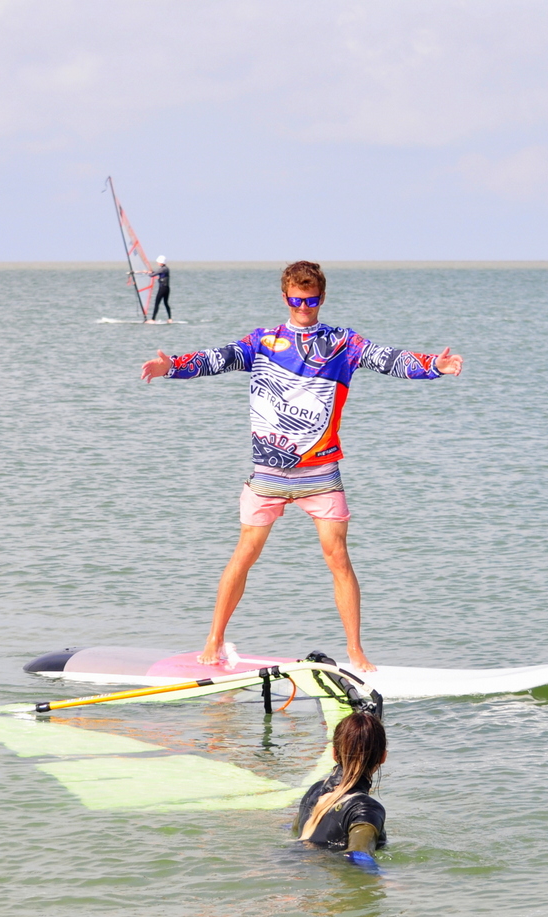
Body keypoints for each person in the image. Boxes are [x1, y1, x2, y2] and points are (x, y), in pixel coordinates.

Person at [139, 260, 464, 671]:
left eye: (310, 301)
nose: (304, 308)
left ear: (322, 298)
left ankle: (356, 651)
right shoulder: (262, 342)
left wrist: (433, 366)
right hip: (268, 475)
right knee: (244, 554)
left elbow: (388, 358)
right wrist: (172, 367)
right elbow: (216, 358)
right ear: (284, 298)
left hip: (321, 474)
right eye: (296, 301)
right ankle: (214, 640)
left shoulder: (343, 343)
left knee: (338, 558)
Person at [295, 711, 387, 861]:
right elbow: (358, 857)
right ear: (383, 757)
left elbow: (294, 831)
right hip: (320, 872)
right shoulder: (366, 809)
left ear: (334, 754)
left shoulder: (314, 790)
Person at [150, 255, 171, 322]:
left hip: (162, 289)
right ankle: (170, 318)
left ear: (161, 262)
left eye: (158, 262)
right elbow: (158, 273)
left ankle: (153, 319)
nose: (157, 263)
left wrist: (148, 273)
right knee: (166, 303)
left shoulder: (162, 269)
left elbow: (152, 275)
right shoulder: (166, 269)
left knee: (157, 303)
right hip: (167, 288)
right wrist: (152, 272)